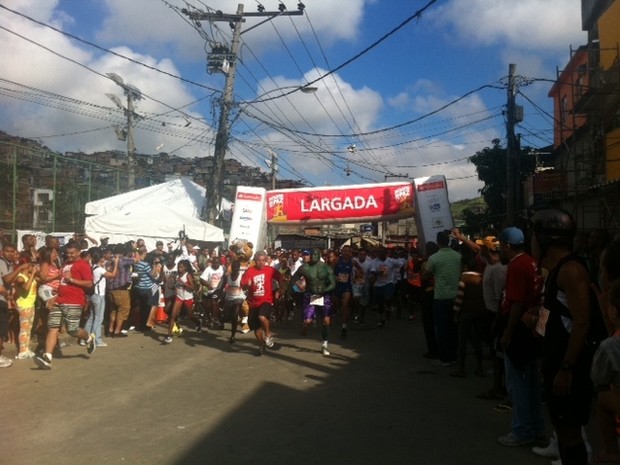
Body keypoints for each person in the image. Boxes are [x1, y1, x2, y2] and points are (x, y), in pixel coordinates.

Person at [496, 227, 545, 447]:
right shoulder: (531, 262)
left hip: (518, 327)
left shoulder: (516, 266)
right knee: (531, 381)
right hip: (532, 324)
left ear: (506, 245)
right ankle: (536, 428)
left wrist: (507, 333)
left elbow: (515, 302)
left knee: (518, 383)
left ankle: (522, 431)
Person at [34, 241, 96, 370]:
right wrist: (55, 296)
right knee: (53, 327)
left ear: (79, 252)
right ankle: (47, 358)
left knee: (72, 330)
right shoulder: (66, 263)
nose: (69, 255)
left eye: (72, 253)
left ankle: (89, 338)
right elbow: (62, 281)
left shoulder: (83, 265)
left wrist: (72, 279)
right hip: (59, 300)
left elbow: (89, 284)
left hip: (74, 301)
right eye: (67, 253)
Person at [288, 248, 336, 356]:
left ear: (319, 255)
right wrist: (288, 293)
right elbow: (293, 279)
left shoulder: (326, 268)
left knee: (326, 320)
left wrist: (325, 290)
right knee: (307, 321)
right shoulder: (304, 267)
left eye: (316, 254)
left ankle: (324, 344)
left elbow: (333, 283)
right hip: (311, 295)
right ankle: (304, 326)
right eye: (312, 254)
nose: (313, 256)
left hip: (324, 296)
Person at [424, 231, 462, 365]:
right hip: (456, 297)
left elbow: (426, 275)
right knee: (454, 328)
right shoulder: (458, 256)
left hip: (440, 297)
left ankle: (445, 357)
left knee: (442, 328)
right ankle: (454, 355)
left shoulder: (434, 258)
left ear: (438, 242)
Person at [241, 251, 277, 356]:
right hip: (253, 303)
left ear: (266, 261)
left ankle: (268, 335)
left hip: (266, 300)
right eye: (258, 261)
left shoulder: (270, 270)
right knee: (256, 329)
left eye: (263, 260)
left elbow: (280, 277)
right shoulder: (250, 271)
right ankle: (261, 345)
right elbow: (243, 286)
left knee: (262, 317)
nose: (261, 263)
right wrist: (247, 285)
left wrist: (281, 289)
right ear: (255, 261)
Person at [85, 250, 119, 347]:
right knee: (99, 318)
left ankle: (85, 338)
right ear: (100, 259)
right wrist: (116, 263)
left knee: (92, 316)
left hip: (92, 295)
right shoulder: (99, 270)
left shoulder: (93, 268)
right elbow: (113, 275)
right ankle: (97, 340)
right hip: (99, 295)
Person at [164, 260, 200, 344]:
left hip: (188, 297)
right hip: (179, 297)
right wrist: (172, 286)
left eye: (181, 267)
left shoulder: (188, 275)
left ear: (185, 267)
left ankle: (198, 322)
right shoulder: (176, 275)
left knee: (190, 315)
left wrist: (184, 284)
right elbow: (176, 285)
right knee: (173, 315)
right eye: (178, 267)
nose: (179, 269)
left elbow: (193, 288)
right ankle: (169, 335)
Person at [332, 245, 360, 338]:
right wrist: (334, 277)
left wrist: (356, 277)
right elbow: (330, 272)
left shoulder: (353, 261)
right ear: (342, 252)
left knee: (345, 305)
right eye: (344, 251)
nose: (346, 253)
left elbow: (361, 270)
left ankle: (344, 327)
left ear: (350, 252)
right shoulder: (336, 260)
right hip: (338, 285)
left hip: (347, 286)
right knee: (337, 304)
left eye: (348, 251)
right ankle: (340, 310)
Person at [14, 259, 40, 359]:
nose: (34, 268)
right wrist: (32, 274)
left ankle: (26, 349)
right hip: (24, 306)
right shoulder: (20, 277)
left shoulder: (31, 277)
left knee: (28, 329)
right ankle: (22, 352)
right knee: (24, 329)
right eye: (32, 266)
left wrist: (34, 274)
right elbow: (25, 288)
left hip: (30, 305)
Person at [200, 254, 225, 328]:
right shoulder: (209, 269)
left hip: (219, 290)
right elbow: (201, 279)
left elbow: (226, 277)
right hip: (210, 289)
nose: (215, 264)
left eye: (217, 263)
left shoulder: (222, 268)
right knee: (207, 306)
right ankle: (209, 319)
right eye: (214, 263)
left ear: (219, 263)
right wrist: (208, 285)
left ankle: (215, 319)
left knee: (214, 303)